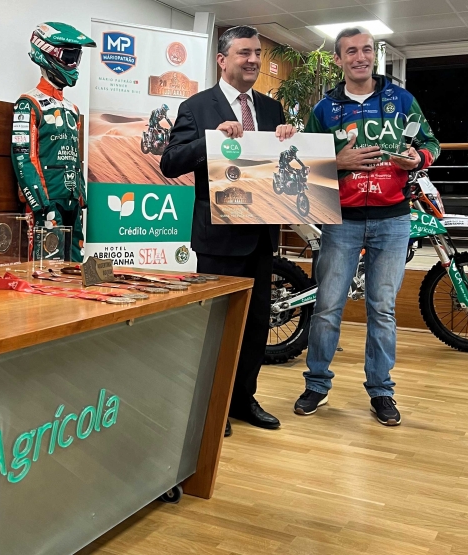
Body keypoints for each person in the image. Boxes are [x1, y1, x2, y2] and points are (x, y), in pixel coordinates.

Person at [294, 27, 440, 425]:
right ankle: (317, 384)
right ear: (338, 59)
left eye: (366, 50)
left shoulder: (401, 100)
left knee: (382, 309)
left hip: (393, 219)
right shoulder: (324, 110)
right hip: (341, 221)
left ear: (373, 55)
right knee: (327, 307)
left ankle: (381, 391)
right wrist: (336, 162)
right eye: (351, 51)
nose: (360, 57)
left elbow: (430, 143)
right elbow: (304, 161)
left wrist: (418, 158)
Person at [160, 25, 296, 436]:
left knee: (255, 325)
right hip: (218, 239)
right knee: (216, 328)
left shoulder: (271, 109)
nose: (253, 60)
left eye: (257, 53)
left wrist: (290, 140)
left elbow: (279, 166)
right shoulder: (197, 107)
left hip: (261, 236)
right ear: (222, 60)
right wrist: (211, 140)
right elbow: (170, 163)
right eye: (244, 53)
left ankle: (242, 399)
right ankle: (211, 405)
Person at [11, 22, 95, 262]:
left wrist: (81, 195)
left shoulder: (72, 109)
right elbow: (23, 157)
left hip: (72, 201)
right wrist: (39, 202)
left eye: (76, 58)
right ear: (47, 53)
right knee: (47, 268)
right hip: (46, 203)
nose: (73, 64)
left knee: (76, 265)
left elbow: (75, 158)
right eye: (69, 57)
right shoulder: (28, 103)